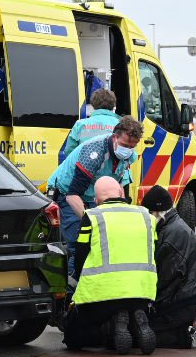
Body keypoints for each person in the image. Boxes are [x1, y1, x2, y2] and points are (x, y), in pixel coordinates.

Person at [65, 176, 158, 355]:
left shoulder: (92, 217)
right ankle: (136, 317)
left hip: (102, 296)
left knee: (74, 336)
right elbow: (154, 251)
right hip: (142, 293)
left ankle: (115, 322)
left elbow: (80, 257)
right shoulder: (146, 216)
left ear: (95, 200)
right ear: (121, 193)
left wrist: (77, 281)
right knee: (129, 307)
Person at [48, 116, 142, 271]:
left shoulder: (128, 154)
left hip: (91, 194)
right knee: (77, 243)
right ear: (114, 137)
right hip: (67, 194)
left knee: (98, 242)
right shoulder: (95, 152)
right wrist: (91, 221)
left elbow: (118, 184)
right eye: (125, 145)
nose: (128, 150)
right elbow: (73, 195)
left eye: (132, 146)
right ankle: (72, 288)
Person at [141, 185, 196, 348]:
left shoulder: (170, 237)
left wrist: (149, 305)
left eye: (148, 213)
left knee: (143, 334)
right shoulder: (173, 226)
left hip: (183, 301)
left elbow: (166, 280)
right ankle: (190, 321)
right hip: (189, 296)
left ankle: (185, 333)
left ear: (157, 213)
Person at [59, 88, 121, 163]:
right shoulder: (120, 125)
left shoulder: (81, 124)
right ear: (113, 105)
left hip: (86, 171)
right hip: (113, 172)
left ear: (93, 104)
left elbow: (69, 151)